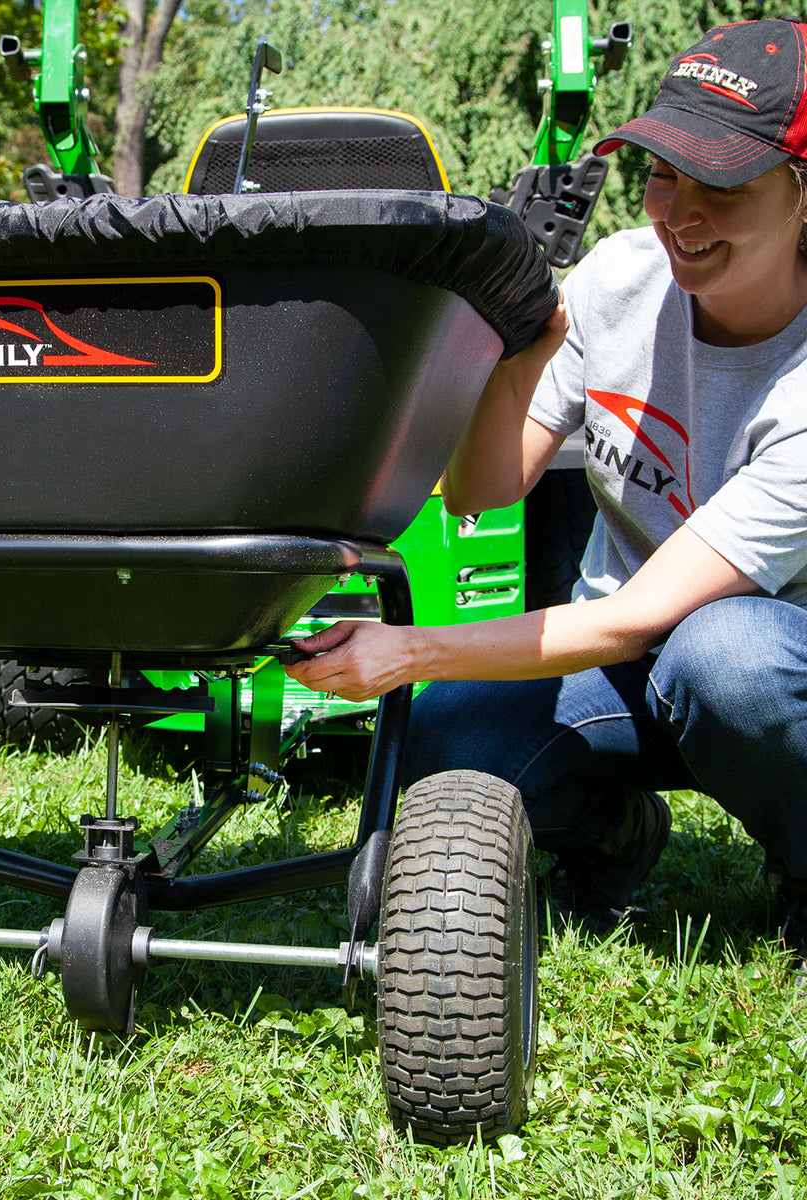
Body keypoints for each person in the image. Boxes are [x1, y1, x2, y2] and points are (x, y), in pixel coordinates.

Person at [286, 18, 807, 951]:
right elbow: (478, 491)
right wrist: (524, 352)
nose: (678, 212)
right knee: (446, 741)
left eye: (722, 183)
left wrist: (407, 649)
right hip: (619, 663)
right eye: (662, 171)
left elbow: (643, 616)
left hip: (764, 670)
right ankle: (614, 832)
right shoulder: (620, 279)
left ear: (802, 195)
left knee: (725, 659)